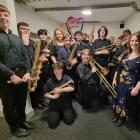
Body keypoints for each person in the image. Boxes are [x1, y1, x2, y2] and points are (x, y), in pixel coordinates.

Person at [0, 5, 35, 137]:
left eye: (5, 15)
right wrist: (11, 74)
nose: (3, 17)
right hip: (6, 77)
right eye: (0, 14)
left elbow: (25, 56)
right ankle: (14, 127)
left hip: (22, 74)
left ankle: (22, 121)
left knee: (21, 101)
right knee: (9, 105)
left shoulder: (16, 37)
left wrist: (28, 72)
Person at [112, 32, 140, 127]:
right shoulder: (126, 54)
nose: (134, 43)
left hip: (131, 85)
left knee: (126, 102)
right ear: (129, 42)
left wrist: (137, 88)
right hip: (121, 82)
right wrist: (114, 79)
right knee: (118, 99)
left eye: (137, 41)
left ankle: (122, 117)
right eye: (132, 40)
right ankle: (118, 114)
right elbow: (119, 68)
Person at [44, 62, 76, 129]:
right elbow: (45, 93)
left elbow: (72, 88)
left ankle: (64, 112)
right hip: (54, 104)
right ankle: (59, 113)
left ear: (62, 70)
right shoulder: (49, 81)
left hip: (66, 103)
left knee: (69, 121)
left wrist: (60, 90)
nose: (57, 71)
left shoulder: (66, 77)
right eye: (55, 69)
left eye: (59, 69)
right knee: (52, 125)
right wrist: (53, 97)